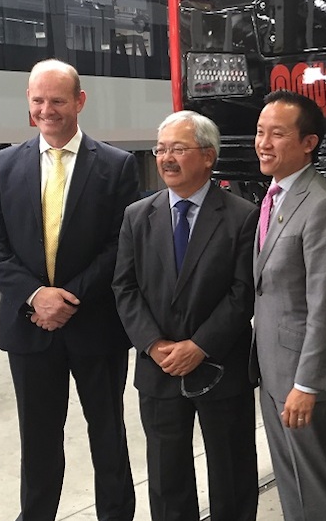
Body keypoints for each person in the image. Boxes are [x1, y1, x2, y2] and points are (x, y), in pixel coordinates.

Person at [0, 59, 138, 521]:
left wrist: (67, 297)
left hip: (95, 327)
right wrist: (35, 295)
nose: (47, 110)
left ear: (79, 102)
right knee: (39, 440)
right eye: (38, 100)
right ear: (29, 104)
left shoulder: (116, 166)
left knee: (108, 435)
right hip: (29, 327)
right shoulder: (5, 166)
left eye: (57, 100)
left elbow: (120, 245)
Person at [113, 111, 259, 521]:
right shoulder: (137, 216)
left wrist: (199, 345)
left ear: (209, 156)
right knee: (166, 478)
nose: (166, 158)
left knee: (231, 475)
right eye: (161, 149)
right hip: (158, 370)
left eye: (179, 148)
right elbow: (124, 288)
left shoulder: (241, 215)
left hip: (219, 367)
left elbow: (242, 293)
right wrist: (154, 345)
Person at [252, 90, 326, 521]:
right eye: (260, 132)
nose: (263, 143)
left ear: (309, 142)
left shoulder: (322, 204)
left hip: (302, 379)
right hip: (275, 368)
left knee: (316, 484)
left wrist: (307, 385)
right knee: (291, 478)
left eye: (277, 134)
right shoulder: (276, 194)